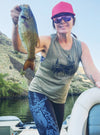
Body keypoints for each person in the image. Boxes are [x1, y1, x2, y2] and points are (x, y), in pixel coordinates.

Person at [11, 1, 100, 135]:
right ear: (54, 23)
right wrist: (16, 24)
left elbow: (91, 71)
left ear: (73, 21)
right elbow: (20, 48)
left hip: (59, 100)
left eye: (66, 17)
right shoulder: (47, 41)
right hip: (39, 93)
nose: (62, 21)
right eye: (57, 19)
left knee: (55, 132)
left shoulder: (81, 47)